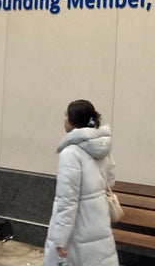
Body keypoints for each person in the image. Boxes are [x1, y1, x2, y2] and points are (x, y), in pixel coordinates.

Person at [43, 99, 119, 266]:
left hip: (77, 229)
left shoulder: (70, 153)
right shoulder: (102, 147)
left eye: (65, 115)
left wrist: (60, 238)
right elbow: (110, 180)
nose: (63, 119)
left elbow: (67, 200)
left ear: (73, 120)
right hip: (98, 222)